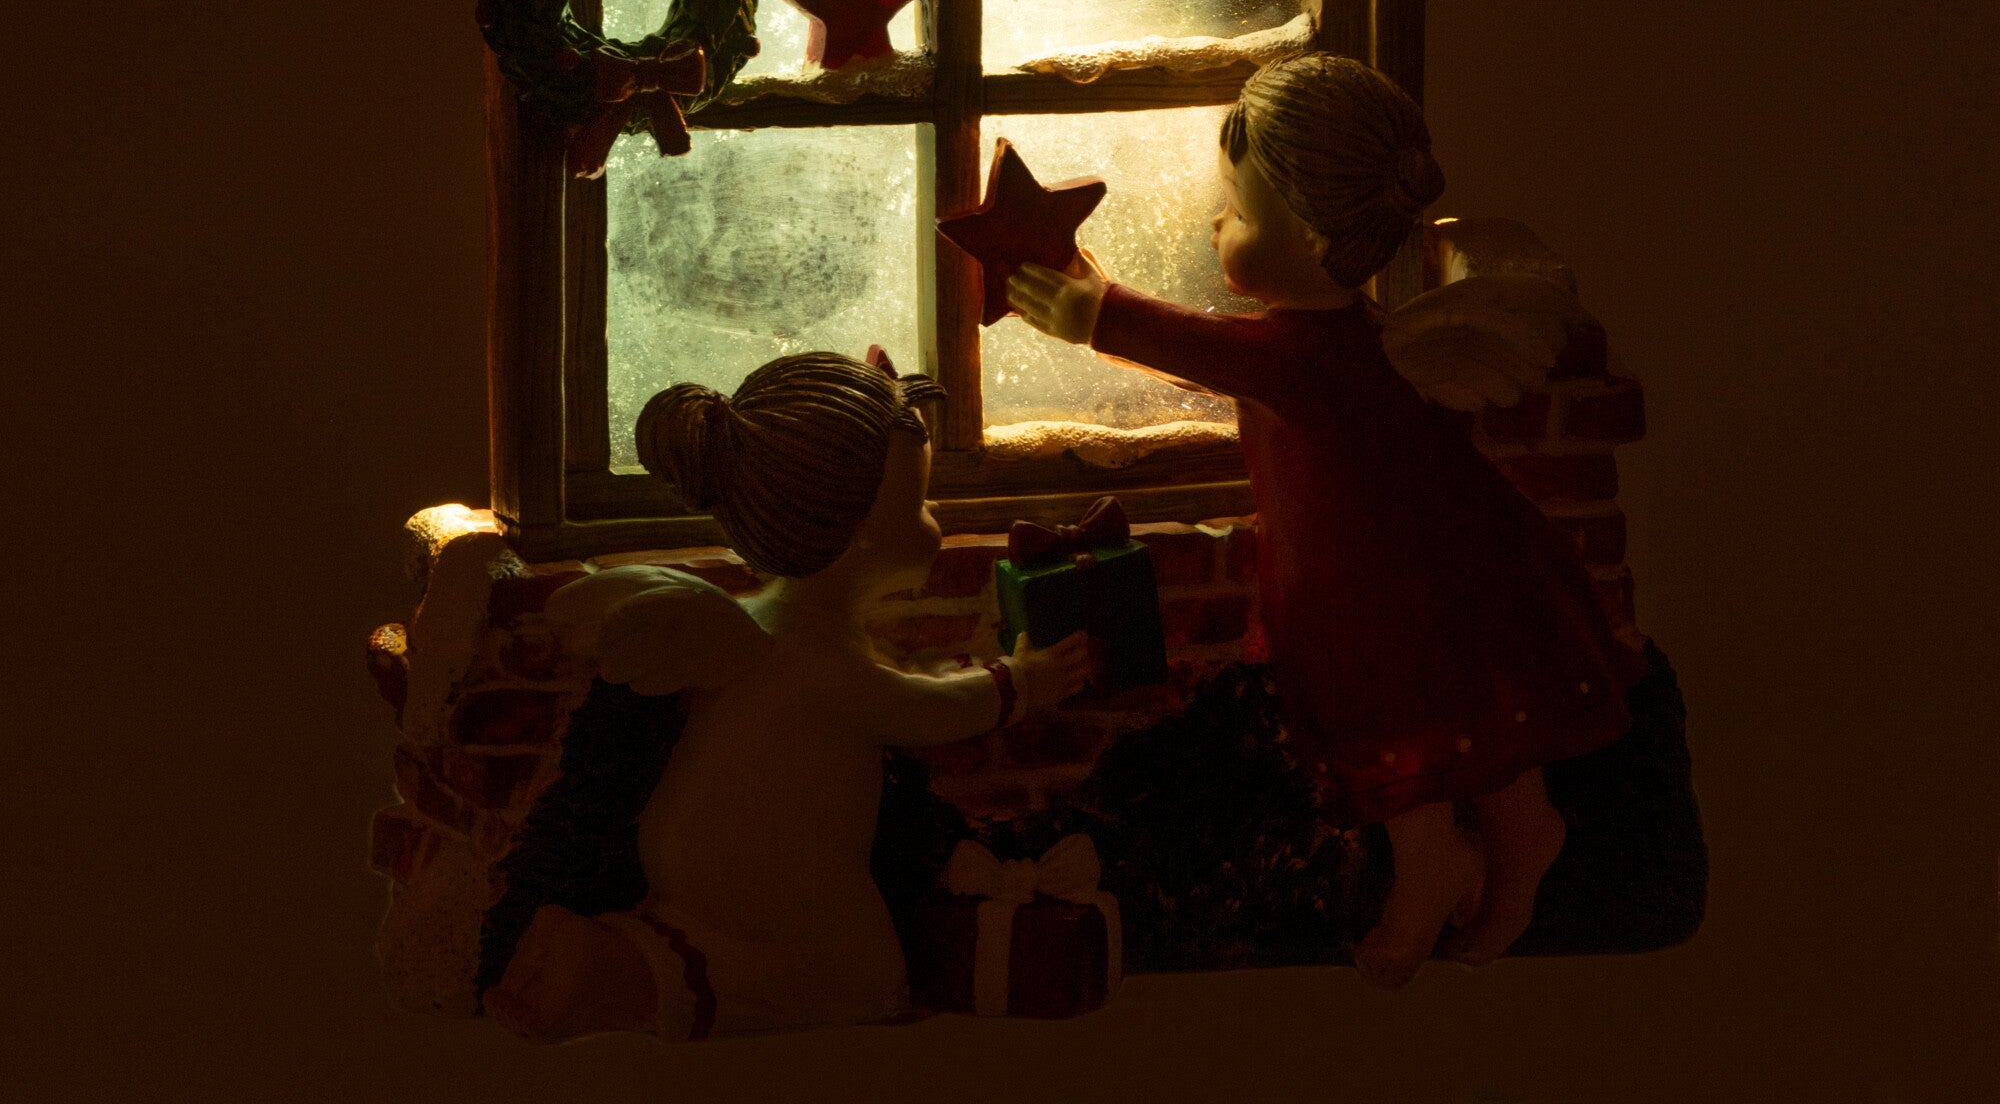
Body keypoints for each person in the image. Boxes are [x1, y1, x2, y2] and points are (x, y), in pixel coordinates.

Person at [1006, 55, 1642, 985]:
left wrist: (1094, 312)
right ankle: (1515, 832)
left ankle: (1434, 861)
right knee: (1478, 713)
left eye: (1236, 211)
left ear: (1307, 232)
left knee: (1404, 728)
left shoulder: (1310, 357)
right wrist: (1096, 299)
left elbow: (1203, 347)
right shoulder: (1362, 339)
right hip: (1445, 567)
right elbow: (1221, 356)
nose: (1215, 225)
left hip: (1379, 597)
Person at [483, 351, 1089, 1041]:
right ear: (862, 530)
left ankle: (598, 953)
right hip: (770, 871)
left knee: (743, 958)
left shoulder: (765, 628)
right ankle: (610, 972)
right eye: (919, 503)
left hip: (700, 858)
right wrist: (1022, 682)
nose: (933, 518)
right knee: (858, 979)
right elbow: (921, 711)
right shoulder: (816, 658)